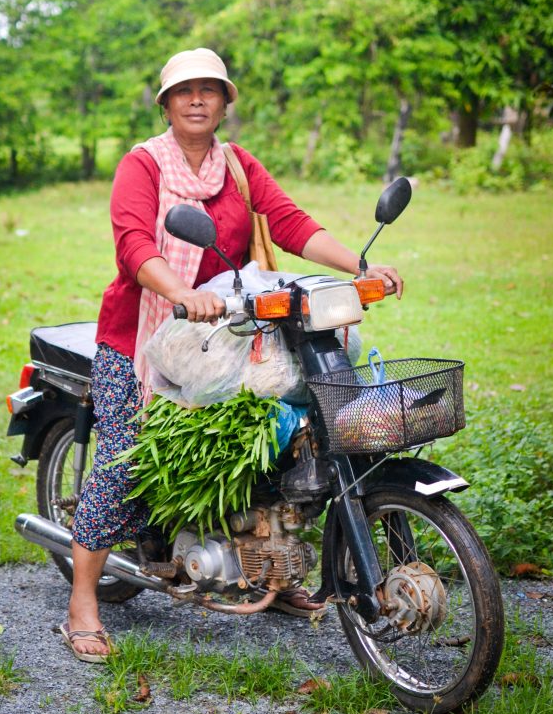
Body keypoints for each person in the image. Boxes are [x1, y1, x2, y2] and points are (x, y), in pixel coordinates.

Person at [60, 47, 403, 661]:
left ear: (224, 103)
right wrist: (181, 293)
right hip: (143, 332)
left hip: (229, 330)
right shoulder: (142, 166)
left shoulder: (238, 167)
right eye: (184, 90)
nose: (197, 99)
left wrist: (362, 266)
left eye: (209, 90)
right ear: (166, 103)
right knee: (125, 457)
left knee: (285, 433)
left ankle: (274, 566)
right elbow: (134, 243)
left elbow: (290, 222)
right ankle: (83, 602)